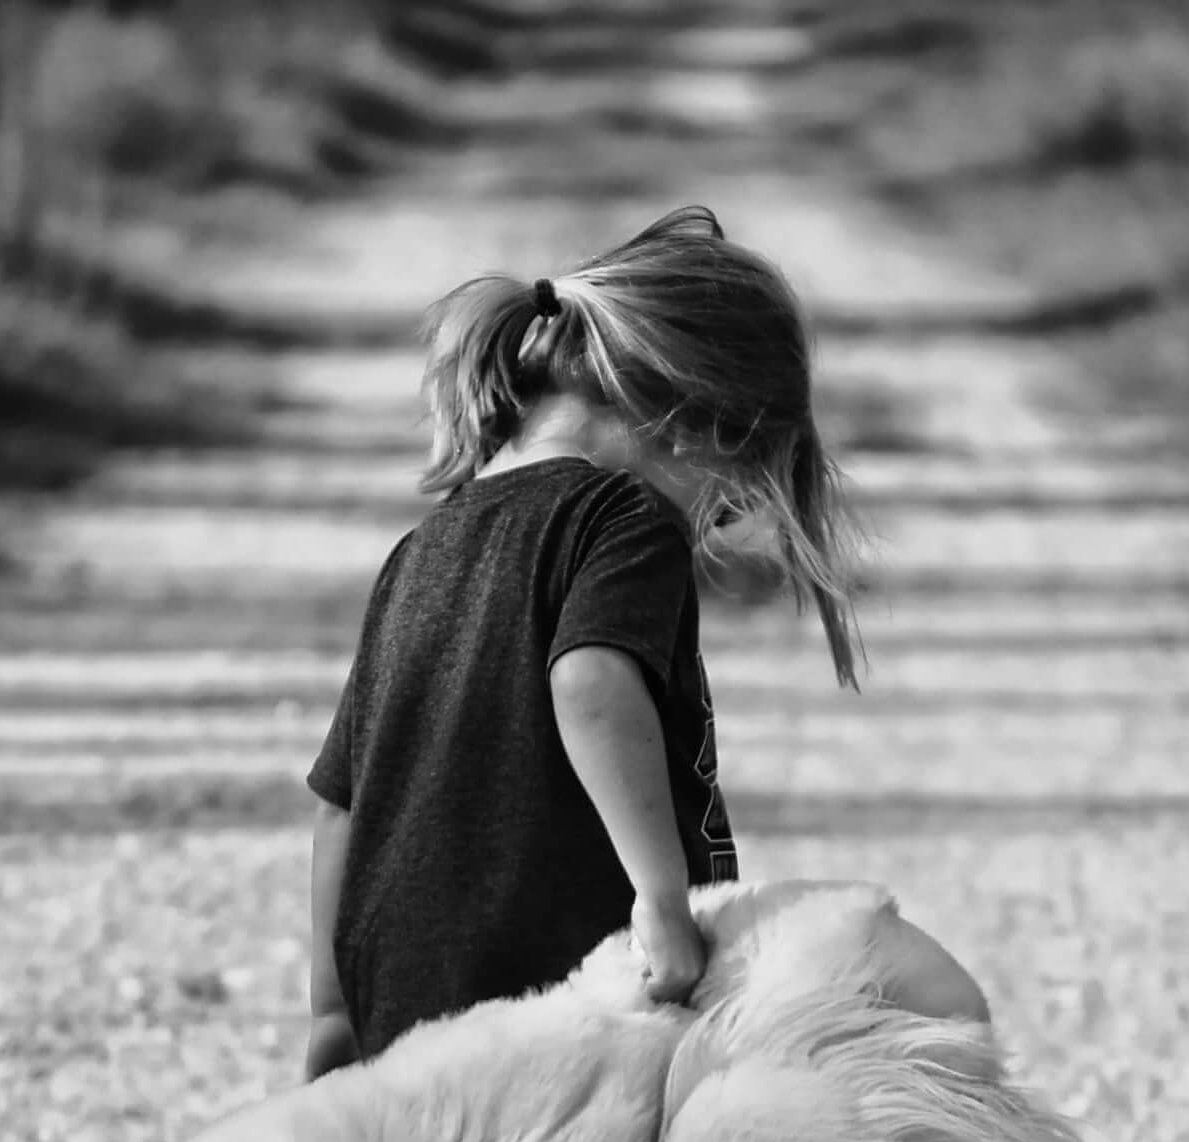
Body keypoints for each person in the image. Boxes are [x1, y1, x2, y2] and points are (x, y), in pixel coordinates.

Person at [303, 205, 865, 1080]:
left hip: (401, 1004)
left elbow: (341, 802)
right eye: (730, 495)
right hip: (561, 992)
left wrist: (332, 1009)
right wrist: (661, 897)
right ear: (693, 422)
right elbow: (592, 683)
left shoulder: (423, 547)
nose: (719, 519)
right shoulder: (624, 516)